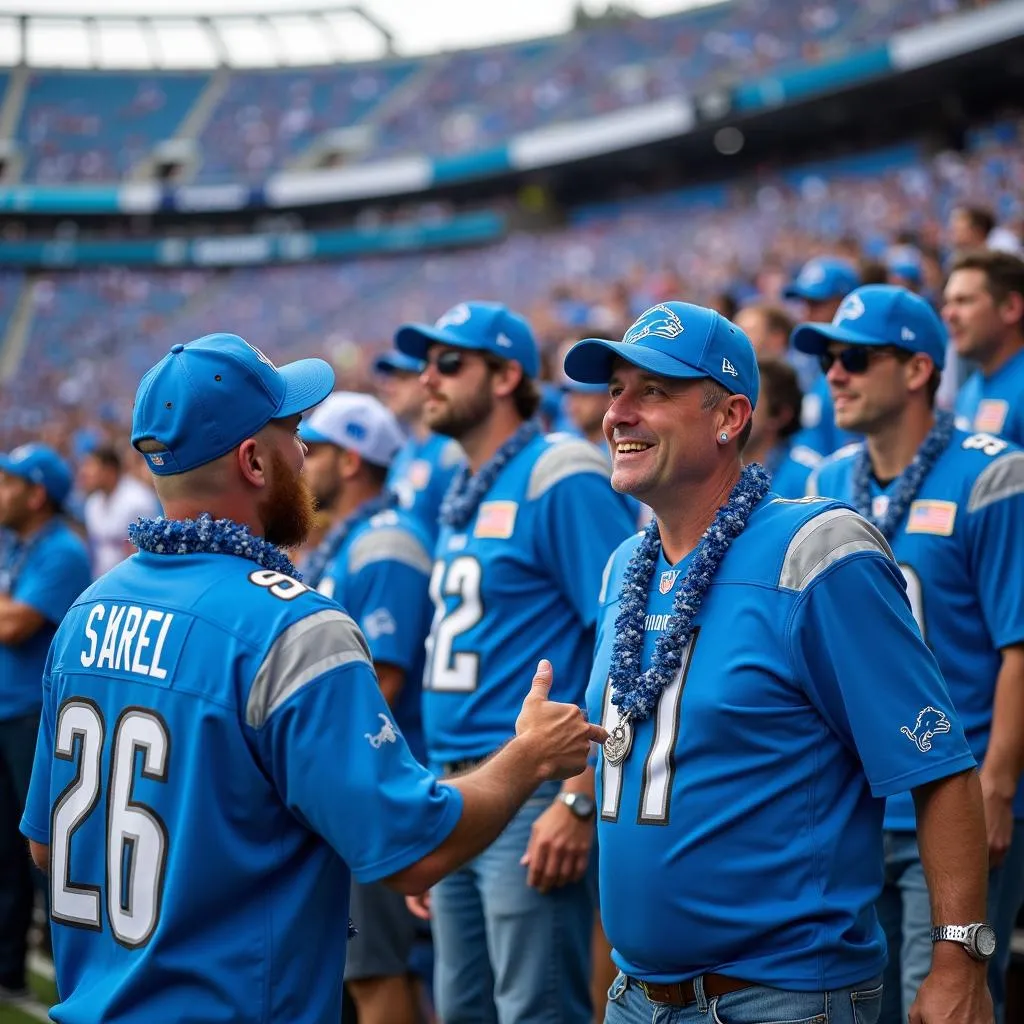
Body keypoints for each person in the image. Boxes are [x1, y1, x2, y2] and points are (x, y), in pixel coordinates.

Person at [18, 333, 605, 1024]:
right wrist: (531, 755)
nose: (302, 451)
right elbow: (414, 851)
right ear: (253, 460)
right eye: (294, 432)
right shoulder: (288, 625)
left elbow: (45, 843)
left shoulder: (89, 610)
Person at [562, 300, 995, 1024]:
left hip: (781, 999)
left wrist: (959, 956)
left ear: (730, 417)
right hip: (639, 996)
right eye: (615, 391)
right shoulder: (623, 568)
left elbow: (939, 764)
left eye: (654, 391)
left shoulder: (815, 552)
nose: (619, 414)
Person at [394, 301, 637, 1024]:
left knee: (535, 1009)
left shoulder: (559, 471)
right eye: (424, 363)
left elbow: (622, 637)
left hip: (529, 785)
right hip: (457, 785)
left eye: (448, 363)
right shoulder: (463, 486)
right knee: (462, 1007)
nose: (427, 378)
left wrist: (579, 795)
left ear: (505, 376)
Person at [797, 284, 1024, 1023]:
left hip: (953, 799)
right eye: (829, 359)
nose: (834, 373)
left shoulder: (993, 473)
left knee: (948, 1002)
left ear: (919, 369)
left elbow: (1019, 645)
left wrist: (996, 786)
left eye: (855, 358)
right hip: (857, 805)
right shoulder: (827, 482)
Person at [298, 391, 436, 1024]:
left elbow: (382, 678)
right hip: (345, 778)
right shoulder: (348, 541)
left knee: (375, 973)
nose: (301, 461)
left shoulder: (385, 541)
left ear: (351, 460)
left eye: (316, 449)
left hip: (372, 782)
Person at [0, 444, 90, 1004]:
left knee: (46, 853)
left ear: (37, 495)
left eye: (9, 483)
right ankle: (8, 968)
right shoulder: (16, 543)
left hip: (36, 716)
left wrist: (10, 608)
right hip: (6, 711)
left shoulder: (63, 550)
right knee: (3, 854)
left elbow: (15, 626)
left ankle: (74, 979)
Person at [374, 350, 464, 542]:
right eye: (389, 379)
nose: (389, 388)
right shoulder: (402, 456)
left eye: (403, 378)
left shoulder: (452, 452)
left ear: (428, 380)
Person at [783, 256, 862, 456]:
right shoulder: (806, 364)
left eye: (817, 304)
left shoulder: (859, 371)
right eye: (804, 303)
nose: (807, 313)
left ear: (847, 305)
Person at [945, 250, 1024, 446]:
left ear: (1010, 308)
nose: (948, 314)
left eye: (964, 301)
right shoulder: (968, 391)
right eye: (948, 302)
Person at [78, 444, 160, 579]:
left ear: (109, 470)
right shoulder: (92, 503)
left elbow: (151, 554)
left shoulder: (139, 499)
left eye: (90, 466)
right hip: (102, 582)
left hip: (135, 582)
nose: (84, 472)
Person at [743, 357, 820, 498]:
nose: (733, 410)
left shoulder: (812, 477)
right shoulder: (715, 469)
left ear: (780, 416)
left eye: (747, 399)